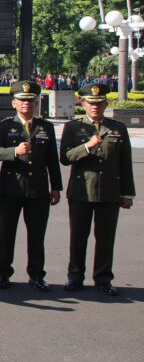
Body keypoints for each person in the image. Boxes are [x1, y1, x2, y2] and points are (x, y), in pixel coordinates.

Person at [59, 83, 135, 295]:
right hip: (81, 191)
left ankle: (103, 278)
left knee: (105, 238)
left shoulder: (118, 128)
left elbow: (125, 163)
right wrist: (87, 147)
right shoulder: (73, 127)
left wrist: (127, 193)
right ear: (83, 103)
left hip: (109, 191)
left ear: (106, 104)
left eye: (99, 103)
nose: (95, 106)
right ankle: (75, 276)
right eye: (91, 103)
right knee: (78, 237)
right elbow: (65, 157)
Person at [0, 81, 62, 291]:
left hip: (38, 189)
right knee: (7, 233)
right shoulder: (4, 126)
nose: (26, 104)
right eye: (22, 100)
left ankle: (37, 275)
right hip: (10, 188)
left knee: (37, 235)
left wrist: (56, 187)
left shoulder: (46, 127)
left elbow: (52, 160)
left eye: (30, 100)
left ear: (36, 103)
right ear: (14, 103)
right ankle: (3, 273)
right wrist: (14, 152)